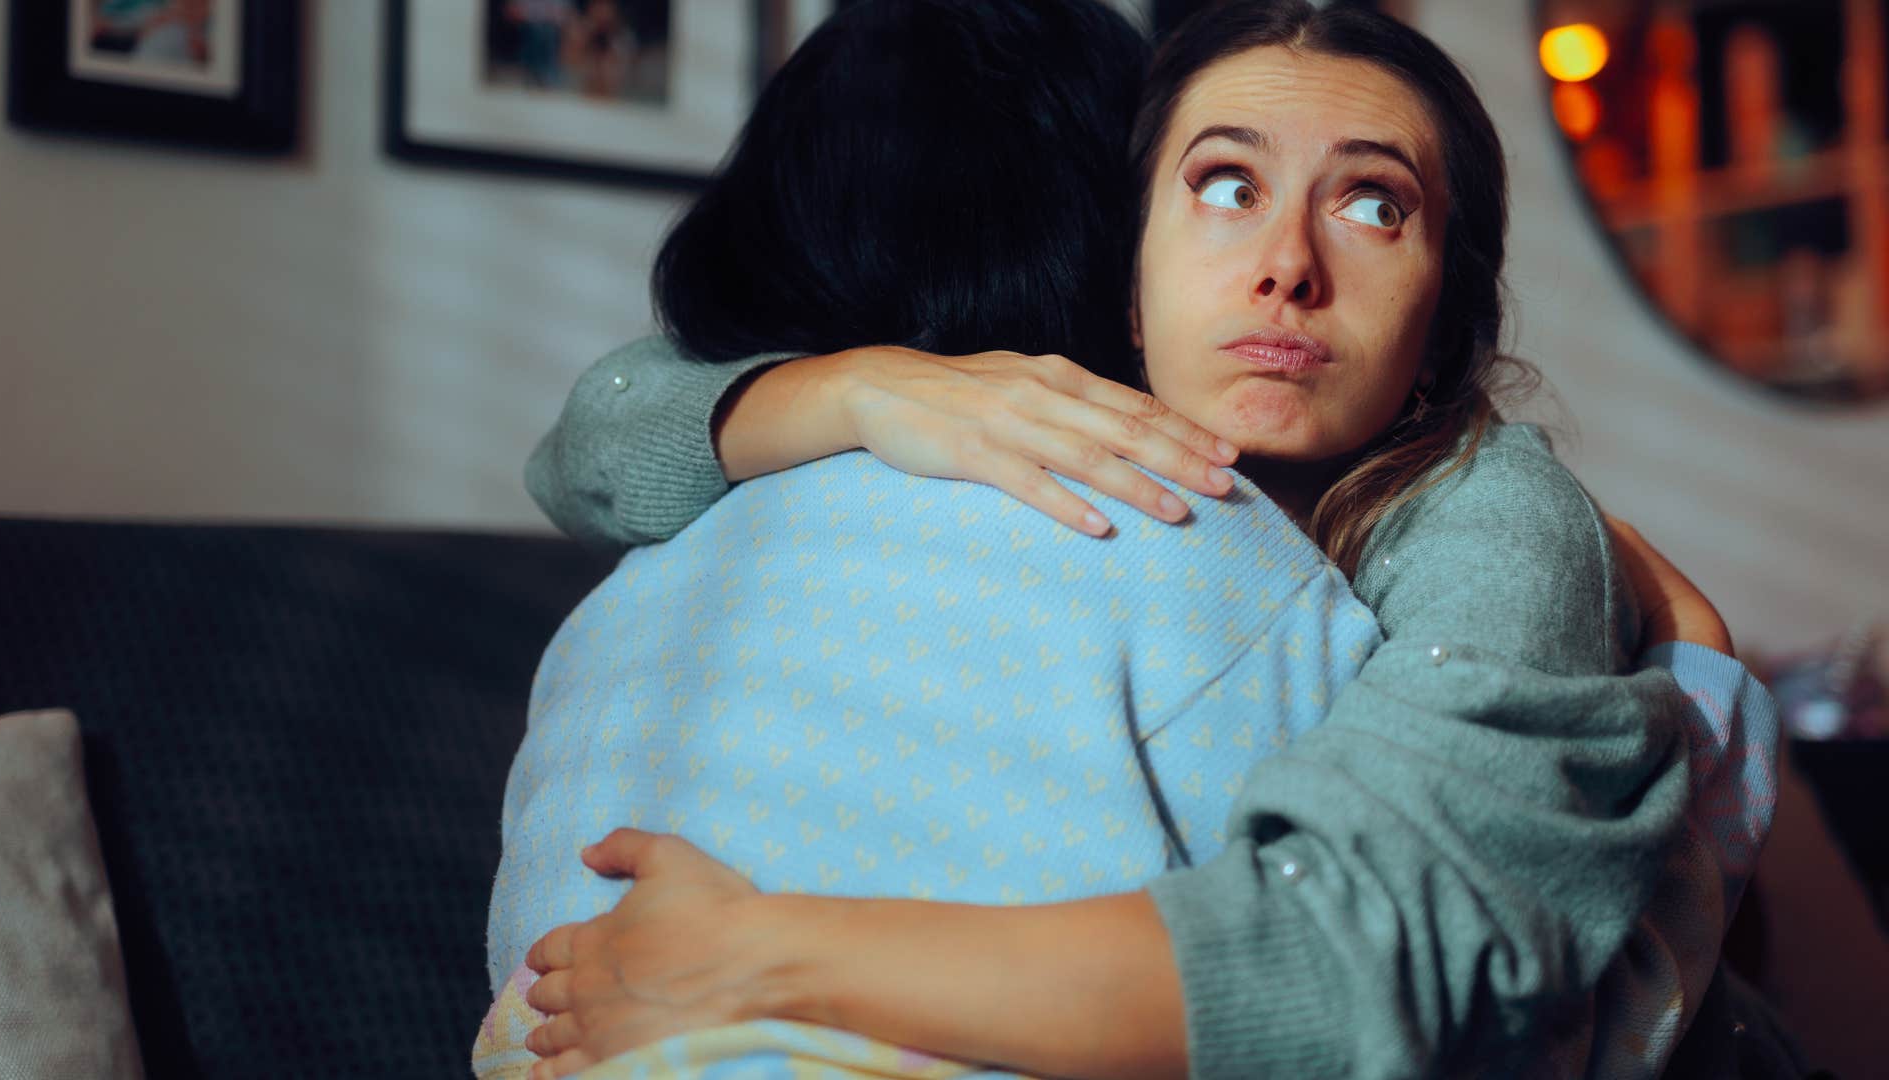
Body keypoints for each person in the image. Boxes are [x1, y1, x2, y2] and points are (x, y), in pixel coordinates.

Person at [510, 2, 1792, 1078]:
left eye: (1374, 206)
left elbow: (1375, 964)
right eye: (1226, 186)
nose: (1287, 262)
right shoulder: (1063, 438)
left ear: (1446, 326)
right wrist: (853, 387)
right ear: (1126, 278)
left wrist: (762, 955)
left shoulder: (1492, 514)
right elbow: (591, 440)